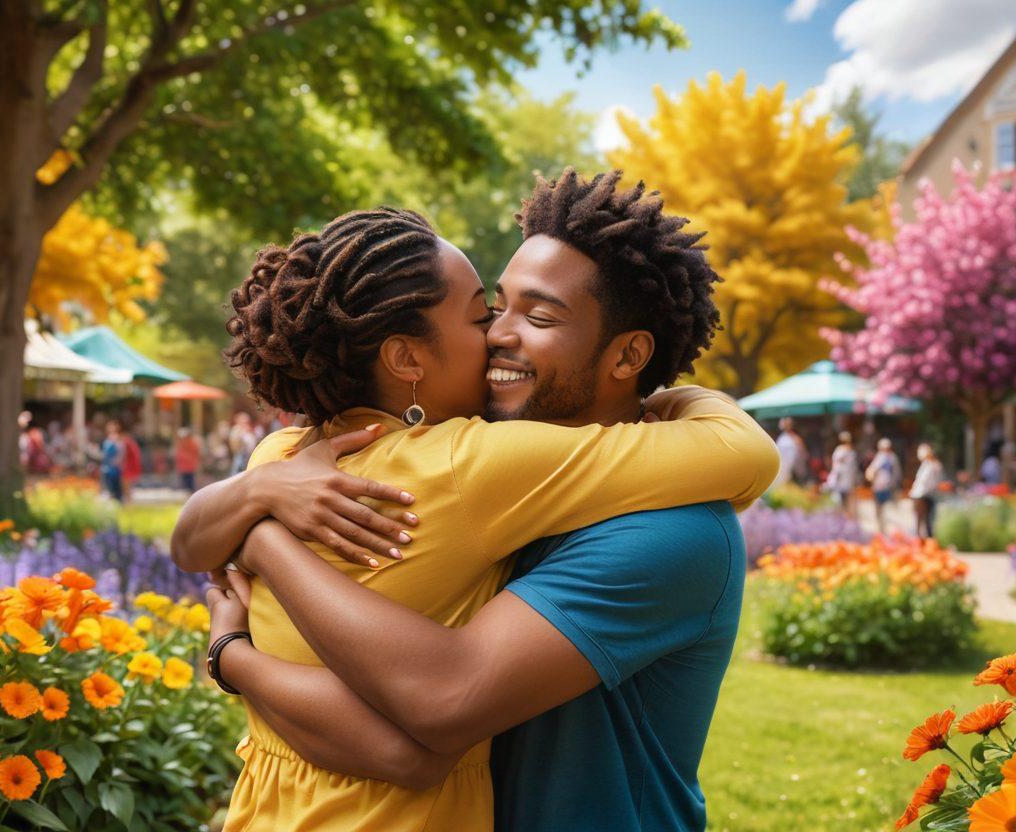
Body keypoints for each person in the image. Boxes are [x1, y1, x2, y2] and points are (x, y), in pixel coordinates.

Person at [173, 182, 778, 831]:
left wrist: (256, 558)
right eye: (492, 310)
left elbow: (441, 701)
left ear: (628, 354)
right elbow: (383, 739)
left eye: (538, 318)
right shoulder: (462, 469)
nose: (498, 336)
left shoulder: (669, 532)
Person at [865, 437, 902, 535]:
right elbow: (870, 472)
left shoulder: (891, 458)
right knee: (880, 510)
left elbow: (896, 474)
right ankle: (881, 531)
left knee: (888, 510)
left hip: (887, 487)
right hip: (879, 487)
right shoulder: (880, 457)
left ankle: (889, 532)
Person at [909, 442, 945, 539]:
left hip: (925, 494)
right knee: (922, 520)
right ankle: (922, 540)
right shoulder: (928, 465)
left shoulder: (932, 465)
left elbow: (926, 482)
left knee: (927, 520)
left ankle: (928, 540)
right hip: (923, 494)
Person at [825, 430, 860, 519]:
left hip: (847, 482)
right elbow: (837, 467)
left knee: (848, 504)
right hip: (840, 482)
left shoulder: (851, 452)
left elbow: (853, 468)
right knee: (839, 504)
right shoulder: (841, 450)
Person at [773, 416, 808, 488]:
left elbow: (803, 453)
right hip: (782, 468)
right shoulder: (782, 438)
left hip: (794, 469)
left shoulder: (795, 438)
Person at [100, 420, 125, 502]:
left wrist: (117, 462)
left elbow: (121, 452)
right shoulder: (107, 440)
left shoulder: (117, 439)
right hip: (106, 467)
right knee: (108, 487)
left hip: (114, 468)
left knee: (115, 488)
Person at [174, 427, 202, 493]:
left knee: (189, 484)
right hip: (183, 467)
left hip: (190, 467)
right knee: (184, 484)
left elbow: (197, 454)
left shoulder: (192, 444)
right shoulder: (181, 445)